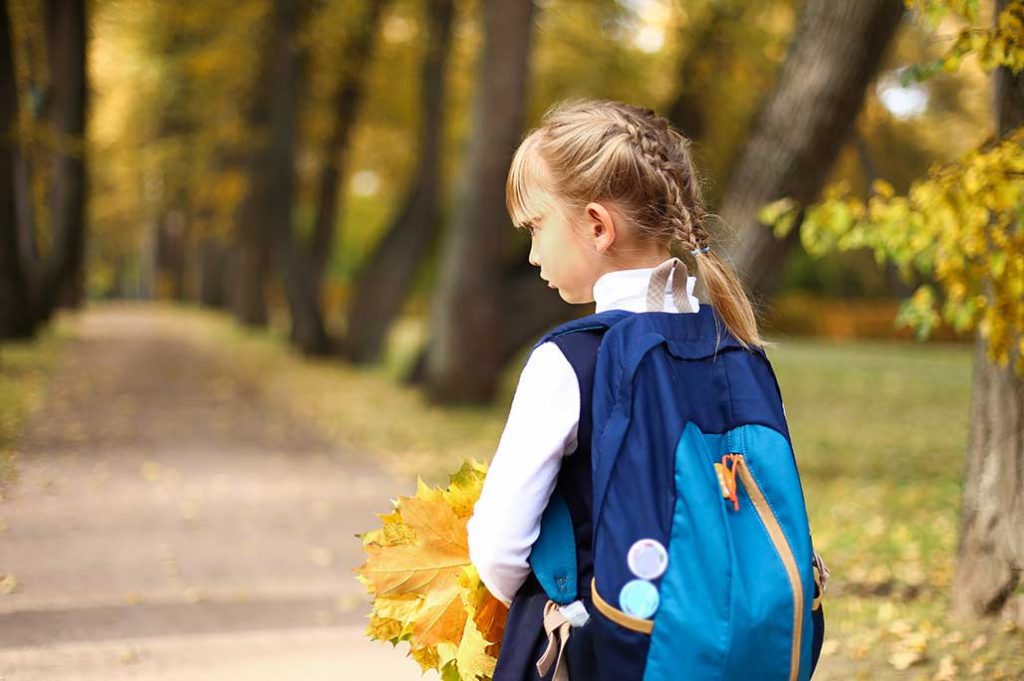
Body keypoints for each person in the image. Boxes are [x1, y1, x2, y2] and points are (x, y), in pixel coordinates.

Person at [466, 98, 801, 681]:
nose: (532, 252)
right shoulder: (732, 343)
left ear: (597, 225)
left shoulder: (568, 361)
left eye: (536, 226)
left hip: (599, 653)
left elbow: (499, 549)